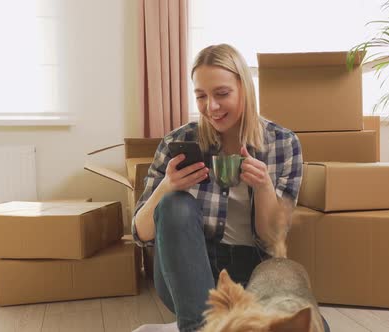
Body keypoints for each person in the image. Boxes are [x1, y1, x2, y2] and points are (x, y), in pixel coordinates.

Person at [131, 44, 329, 332]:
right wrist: (167, 186)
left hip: (255, 276)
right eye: (201, 96)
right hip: (189, 274)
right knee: (175, 204)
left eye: (222, 94)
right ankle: (197, 327)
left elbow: (273, 239)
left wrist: (263, 187)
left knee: (315, 325)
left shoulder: (284, 144)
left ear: (245, 89)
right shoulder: (178, 143)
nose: (211, 106)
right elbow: (140, 233)